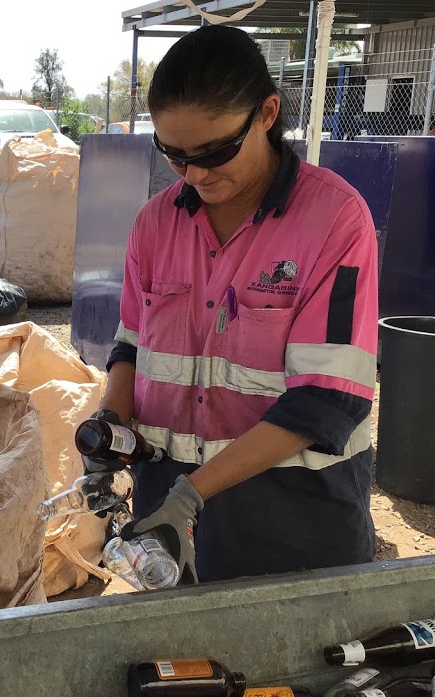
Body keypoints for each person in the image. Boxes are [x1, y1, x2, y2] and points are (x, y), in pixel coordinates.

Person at [90, 25, 378, 584]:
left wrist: (192, 496)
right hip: (168, 500)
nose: (196, 175)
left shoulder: (335, 221)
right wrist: (110, 422)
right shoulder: (154, 223)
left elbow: (323, 403)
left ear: (267, 113)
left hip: (291, 512)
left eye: (215, 152)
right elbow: (131, 343)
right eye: (173, 156)